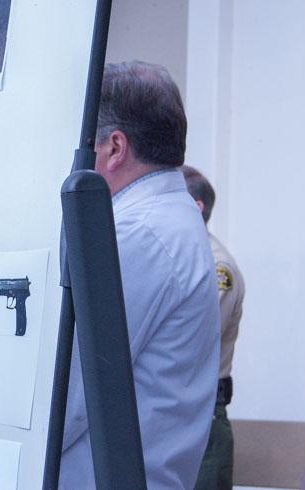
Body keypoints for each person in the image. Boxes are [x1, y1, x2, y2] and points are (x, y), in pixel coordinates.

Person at [60, 61, 219, 490]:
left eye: (84, 145)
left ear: (115, 147)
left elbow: (66, 398)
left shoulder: (136, 235)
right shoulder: (163, 218)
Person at [181, 165, 245, 490]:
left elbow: (192, 342)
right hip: (180, 410)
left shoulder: (217, 267)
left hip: (204, 414)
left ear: (196, 207)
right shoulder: (185, 255)